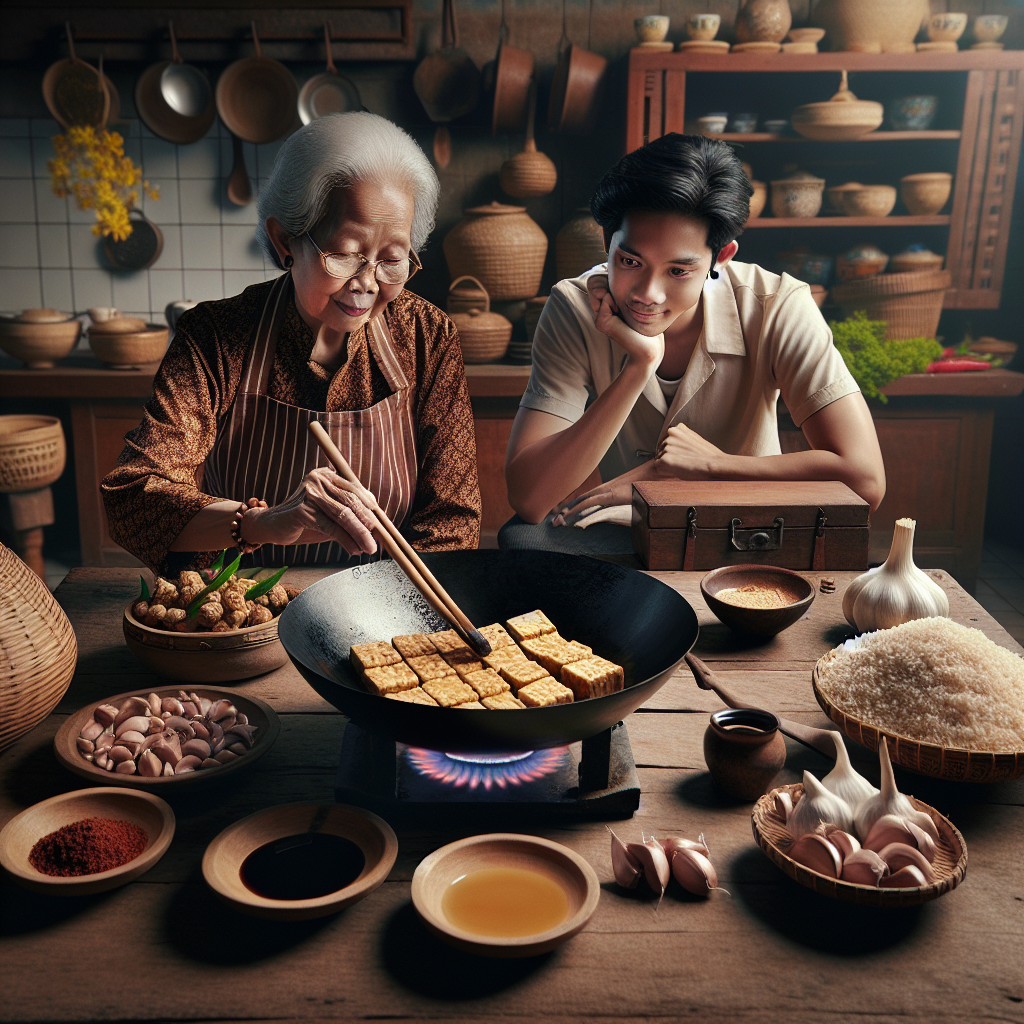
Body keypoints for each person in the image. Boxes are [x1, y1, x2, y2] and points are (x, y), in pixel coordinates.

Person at [102, 112, 481, 574]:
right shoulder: (215, 337)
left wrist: (396, 613)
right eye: (344, 254)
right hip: (246, 609)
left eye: (392, 260)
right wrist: (263, 521)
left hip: (383, 609)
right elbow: (133, 497)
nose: (366, 283)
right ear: (284, 239)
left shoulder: (428, 337)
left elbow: (452, 518)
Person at [501, 133, 885, 555]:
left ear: (721, 257)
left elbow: (865, 483)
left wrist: (708, 469)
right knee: (522, 540)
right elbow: (531, 500)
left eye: (678, 271)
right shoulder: (574, 308)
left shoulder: (778, 306)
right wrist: (640, 365)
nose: (648, 293)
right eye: (630, 262)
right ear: (605, 242)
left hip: (752, 532)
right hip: (633, 532)